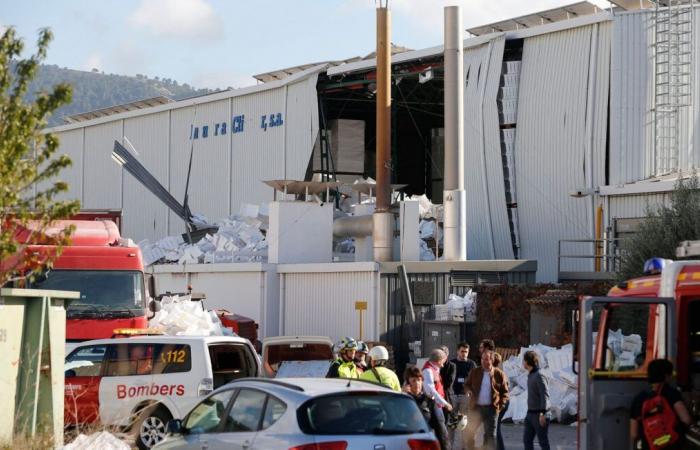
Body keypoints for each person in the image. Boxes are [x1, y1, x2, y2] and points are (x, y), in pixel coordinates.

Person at [630, 359, 693, 450]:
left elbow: (634, 433)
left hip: (650, 446)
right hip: (673, 445)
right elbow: (686, 419)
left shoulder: (638, 399)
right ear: (666, 376)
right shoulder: (672, 393)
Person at [464, 349, 509, 450]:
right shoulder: (475, 372)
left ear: (492, 360)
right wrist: (468, 391)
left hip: (491, 409)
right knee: (469, 434)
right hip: (476, 409)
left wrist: (499, 406)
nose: (484, 361)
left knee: (491, 436)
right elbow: (467, 384)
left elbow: (505, 393)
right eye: (482, 359)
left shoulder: (499, 374)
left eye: (487, 359)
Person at [423, 348, 453, 450]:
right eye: (443, 362)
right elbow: (430, 390)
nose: (443, 365)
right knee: (442, 432)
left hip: (437, 404)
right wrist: (445, 403)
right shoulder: (428, 371)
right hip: (433, 404)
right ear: (438, 360)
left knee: (440, 430)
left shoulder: (434, 368)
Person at [451, 342, 477, 450]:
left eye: (466, 352)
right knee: (452, 425)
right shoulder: (452, 363)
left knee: (463, 424)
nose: (464, 354)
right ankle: (450, 446)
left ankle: (463, 447)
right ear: (457, 351)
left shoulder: (471, 364)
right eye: (462, 351)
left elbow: (475, 380)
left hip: (465, 397)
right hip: (453, 396)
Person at [522, 350, 550, 450]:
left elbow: (545, 395)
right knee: (527, 440)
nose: (522, 363)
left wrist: (543, 413)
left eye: (523, 360)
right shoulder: (530, 375)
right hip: (530, 414)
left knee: (543, 442)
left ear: (528, 361)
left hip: (539, 414)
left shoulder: (539, 375)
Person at [404, 366, 438, 432]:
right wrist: (403, 395)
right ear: (408, 383)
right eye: (413, 380)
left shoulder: (428, 400)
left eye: (419, 380)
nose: (417, 383)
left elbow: (437, 425)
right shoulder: (402, 400)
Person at [493, 352, 509, 450]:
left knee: (496, 428)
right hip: (503, 402)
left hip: (499, 403)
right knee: (495, 427)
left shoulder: (496, 373)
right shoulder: (500, 372)